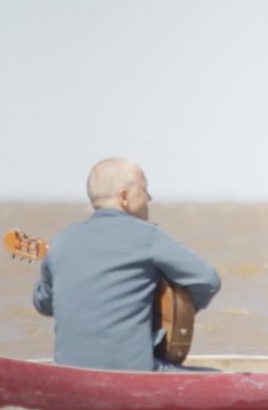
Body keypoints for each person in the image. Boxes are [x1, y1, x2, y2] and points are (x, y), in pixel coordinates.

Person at [32, 158, 221, 371]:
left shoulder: (60, 242)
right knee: (219, 377)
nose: (149, 198)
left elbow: (43, 303)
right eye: (144, 190)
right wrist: (177, 312)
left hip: (67, 373)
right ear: (124, 197)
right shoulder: (149, 237)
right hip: (137, 373)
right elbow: (208, 279)